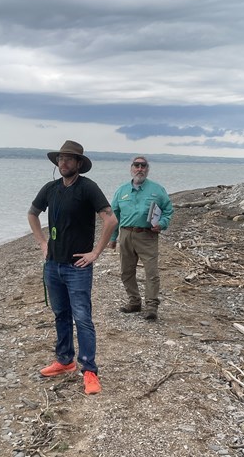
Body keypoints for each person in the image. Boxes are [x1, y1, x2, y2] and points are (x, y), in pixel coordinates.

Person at [28, 140, 118, 395]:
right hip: (53, 265)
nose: (64, 162)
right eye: (61, 158)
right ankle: (65, 360)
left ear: (79, 163)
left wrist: (96, 252)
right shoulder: (51, 188)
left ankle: (89, 370)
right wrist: (42, 243)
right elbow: (32, 214)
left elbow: (110, 219)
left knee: (83, 318)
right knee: (61, 315)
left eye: (69, 158)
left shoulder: (88, 188)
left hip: (77, 267)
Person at [110, 156, 173, 321]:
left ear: (147, 169)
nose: (140, 169)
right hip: (126, 234)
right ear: (131, 168)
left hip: (147, 235)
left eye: (143, 166)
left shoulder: (157, 190)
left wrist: (162, 223)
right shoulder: (121, 191)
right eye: (136, 165)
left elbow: (167, 210)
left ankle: (151, 306)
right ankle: (134, 302)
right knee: (126, 271)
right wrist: (113, 237)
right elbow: (114, 215)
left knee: (151, 272)